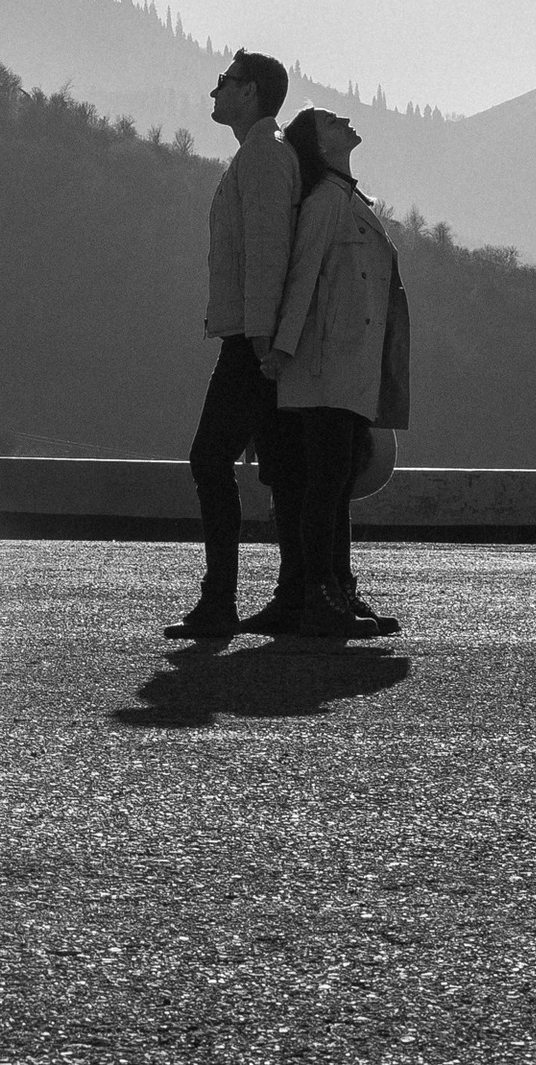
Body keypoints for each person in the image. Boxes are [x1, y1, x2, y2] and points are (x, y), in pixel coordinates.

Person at [164, 50, 306, 641]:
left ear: (250, 92)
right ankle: (296, 594)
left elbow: (268, 252)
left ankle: (221, 599)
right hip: (253, 336)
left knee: (210, 459)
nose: (215, 91)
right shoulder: (258, 154)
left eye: (224, 81)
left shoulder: (263, 156)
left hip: (252, 341)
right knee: (279, 470)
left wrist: (264, 342)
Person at [271, 106, 406, 639]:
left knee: (339, 480)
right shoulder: (327, 200)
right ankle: (321, 595)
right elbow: (302, 274)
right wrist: (282, 350)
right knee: (326, 484)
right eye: (330, 122)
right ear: (320, 147)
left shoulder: (351, 199)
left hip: (352, 365)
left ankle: (339, 590)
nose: (344, 121)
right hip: (325, 364)